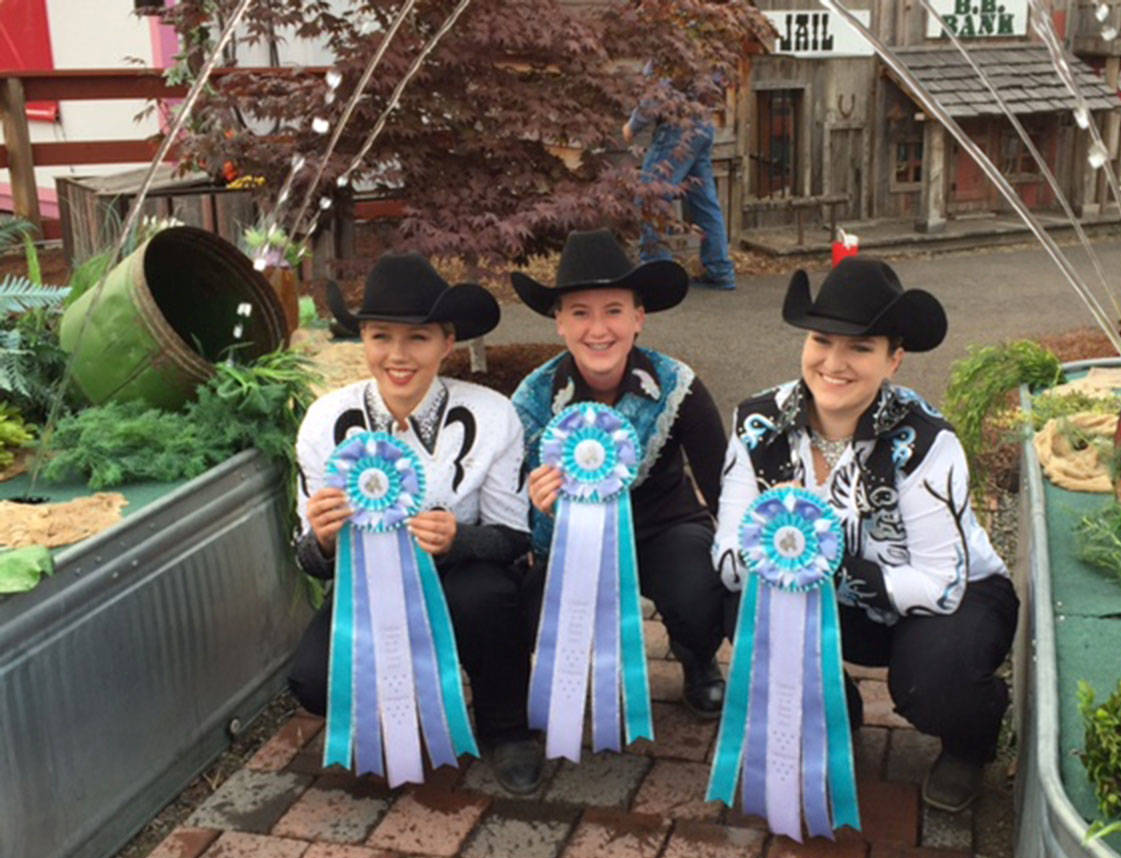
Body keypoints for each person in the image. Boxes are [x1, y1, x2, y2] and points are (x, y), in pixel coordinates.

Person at [711, 257, 1018, 812]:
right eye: (822, 340)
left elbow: (940, 586)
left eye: (860, 347)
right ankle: (834, 712)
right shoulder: (755, 423)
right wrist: (778, 559)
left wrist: (825, 562)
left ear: (893, 360)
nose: (834, 362)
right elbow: (730, 559)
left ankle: (970, 741)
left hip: (948, 601)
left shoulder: (926, 442)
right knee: (745, 611)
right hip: (832, 604)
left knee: (933, 680)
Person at [289, 252, 543, 795]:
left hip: (462, 577)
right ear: (362, 341)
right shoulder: (324, 422)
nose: (397, 356)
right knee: (312, 679)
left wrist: (459, 538)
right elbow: (305, 557)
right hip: (366, 591)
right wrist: (328, 540)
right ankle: (390, 715)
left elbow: (516, 539)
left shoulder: (493, 415)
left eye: (418, 339)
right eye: (381, 337)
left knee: (491, 600)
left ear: (447, 343)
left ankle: (506, 729)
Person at [511, 228, 728, 719]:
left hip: (664, 530)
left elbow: (721, 487)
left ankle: (697, 656)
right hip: (568, 542)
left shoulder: (678, 385)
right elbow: (515, 515)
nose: (599, 329)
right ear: (559, 323)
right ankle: (551, 677)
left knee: (699, 587)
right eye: (580, 312)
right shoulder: (532, 398)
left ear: (638, 319)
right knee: (528, 607)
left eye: (613, 310)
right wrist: (541, 506)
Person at [624, 69, 736, 291]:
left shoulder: (669, 46)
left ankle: (659, 274)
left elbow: (657, 94)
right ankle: (720, 271)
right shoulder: (704, 38)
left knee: (650, 197)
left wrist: (632, 126)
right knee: (704, 201)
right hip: (704, 124)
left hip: (676, 130)